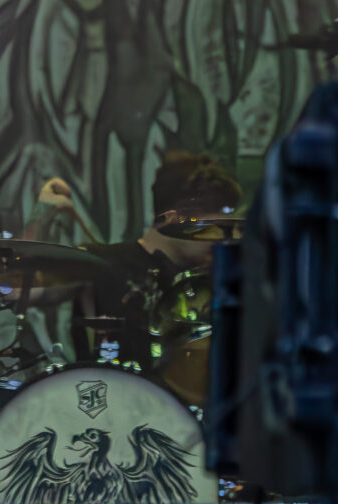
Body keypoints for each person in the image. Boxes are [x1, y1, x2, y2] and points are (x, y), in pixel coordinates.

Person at [31, 151, 240, 380]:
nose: (222, 239)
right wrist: (42, 214)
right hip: (108, 398)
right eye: (214, 228)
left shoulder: (213, 280)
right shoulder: (100, 262)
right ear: (174, 219)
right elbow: (17, 290)